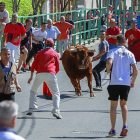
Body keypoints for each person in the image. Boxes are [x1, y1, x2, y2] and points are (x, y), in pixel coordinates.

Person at [106, 34, 138, 137]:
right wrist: (132, 80)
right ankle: (125, 125)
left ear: (116, 42)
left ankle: (113, 128)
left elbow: (108, 62)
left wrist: (108, 70)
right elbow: (135, 69)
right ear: (125, 42)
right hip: (125, 82)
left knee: (113, 106)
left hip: (115, 82)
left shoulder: (113, 52)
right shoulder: (129, 53)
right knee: (124, 104)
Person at [26, 38, 62, 119]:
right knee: (55, 93)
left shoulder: (39, 53)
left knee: (33, 90)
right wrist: (54, 74)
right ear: (53, 45)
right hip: (51, 73)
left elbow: (33, 65)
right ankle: (56, 110)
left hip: (40, 73)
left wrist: (31, 77)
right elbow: (58, 67)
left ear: (45, 44)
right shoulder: (55, 53)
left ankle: (31, 108)